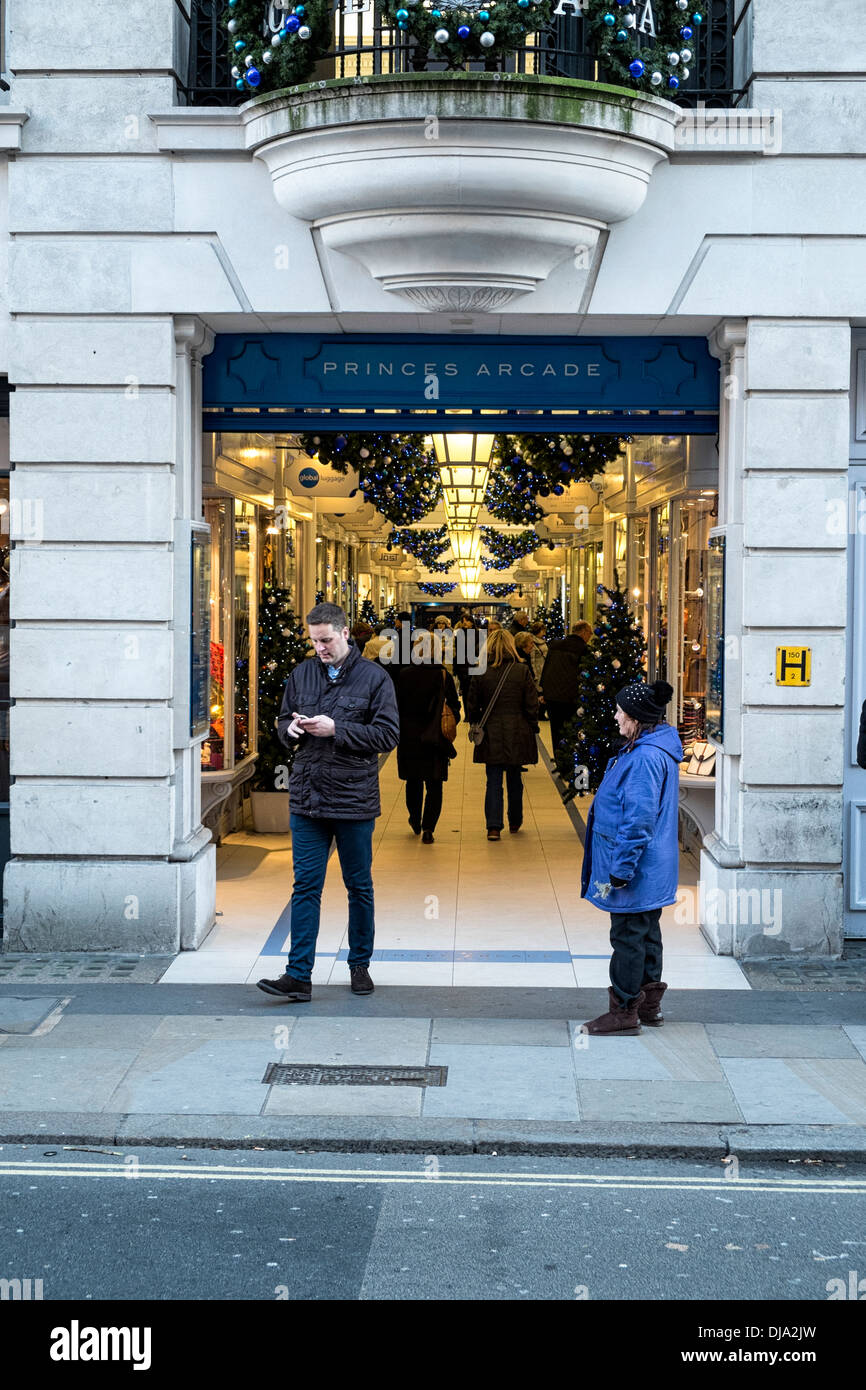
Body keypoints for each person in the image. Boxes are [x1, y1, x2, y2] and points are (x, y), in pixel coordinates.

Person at [257, 602, 400, 1003]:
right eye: (314, 641)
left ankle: (359, 965)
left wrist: (338, 729)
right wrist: (294, 729)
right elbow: (282, 721)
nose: (319, 648)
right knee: (305, 886)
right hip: (307, 797)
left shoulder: (375, 678)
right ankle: (298, 975)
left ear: (344, 634)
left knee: (358, 885)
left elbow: (387, 735)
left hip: (354, 799)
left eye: (325, 640)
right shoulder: (302, 673)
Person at [579, 679, 682, 1036]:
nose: (616, 715)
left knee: (627, 936)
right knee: (646, 933)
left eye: (621, 710)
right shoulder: (650, 750)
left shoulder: (644, 759)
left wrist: (620, 870)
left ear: (636, 719)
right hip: (652, 866)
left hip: (636, 867)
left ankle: (624, 1010)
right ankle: (649, 1006)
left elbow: (637, 820)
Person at [466, 628, 539, 840]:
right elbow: (531, 703)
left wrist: (476, 723)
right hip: (517, 729)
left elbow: (472, 704)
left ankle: (493, 826)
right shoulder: (521, 670)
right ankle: (515, 820)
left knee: (493, 779)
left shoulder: (481, 670)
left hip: (491, 731)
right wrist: (531, 725)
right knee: (515, 777)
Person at [394, 630, 461, 844]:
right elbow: (454, 706)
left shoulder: (404, 674)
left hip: (409, 735)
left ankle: (415, 818)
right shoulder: (443, 675)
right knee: (435, 783)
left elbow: (395, 705)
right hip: (435, 736)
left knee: (413, 780)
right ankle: (429, 827)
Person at [541, 620, 593, 752]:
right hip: (572, 698)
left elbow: (546, 669)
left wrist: (543, 691)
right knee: (573, 731)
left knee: (556, 731)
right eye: (590, 634)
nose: (590, 637)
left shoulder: (555, 646)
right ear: (584, 632)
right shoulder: (584, 650)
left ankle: (559, 759)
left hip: (553, 696)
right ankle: (569, 761)